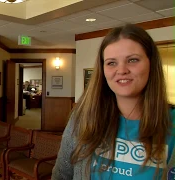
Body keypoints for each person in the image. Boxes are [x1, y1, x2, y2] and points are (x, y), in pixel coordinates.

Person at [52, 24, 175, 180]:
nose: (122, 70)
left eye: (132, 60)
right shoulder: (82, 118)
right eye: (111, 63)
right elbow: (62, 175)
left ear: (151, 63)